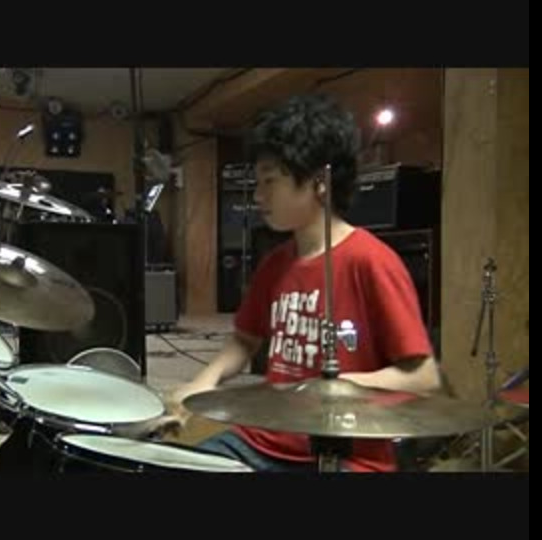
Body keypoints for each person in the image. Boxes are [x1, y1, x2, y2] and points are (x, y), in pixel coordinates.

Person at [157, 94, 443, 473]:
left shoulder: (372, 262)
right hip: (262, 442)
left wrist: (335, 388)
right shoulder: (275, 264)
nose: (258, 196)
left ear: (319, 182)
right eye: (257, 182)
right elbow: (245, 340)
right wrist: (202, 382)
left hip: (347, 455)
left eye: (270, 181)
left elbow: (423, 378)